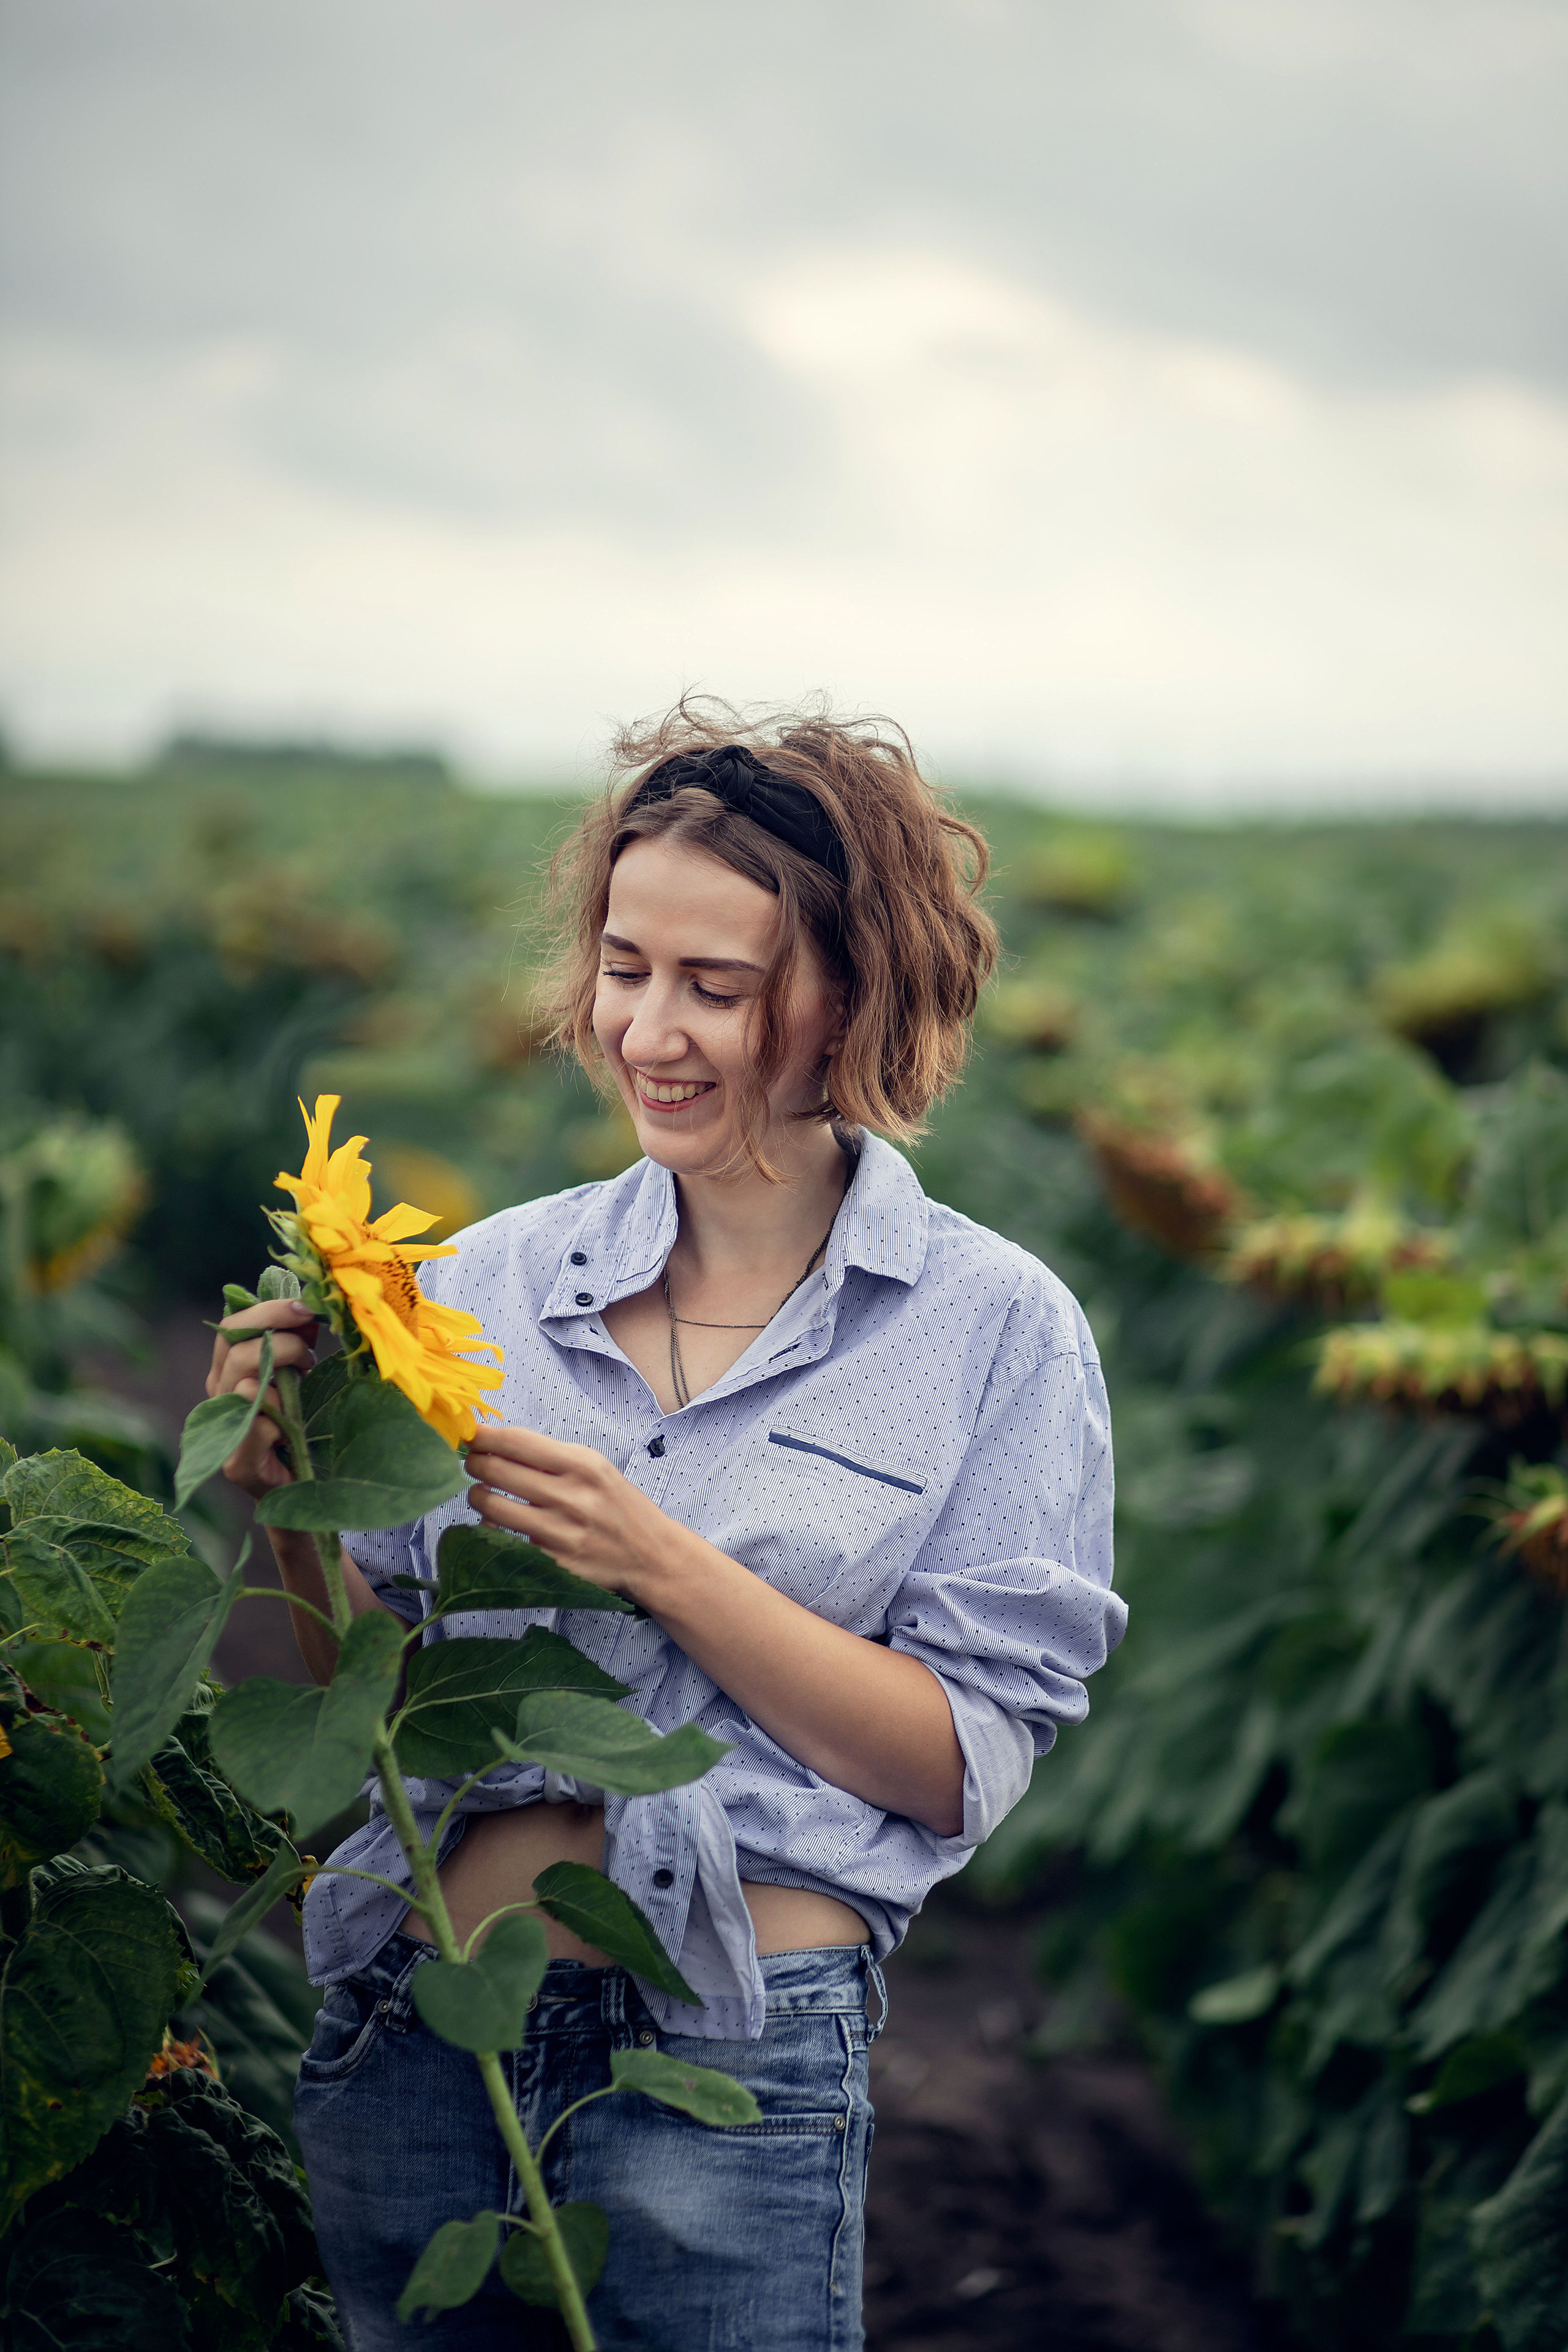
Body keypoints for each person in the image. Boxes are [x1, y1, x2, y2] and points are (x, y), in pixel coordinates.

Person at [206, 704, 1124, 2351]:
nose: (648, 1030)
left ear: (855, 994)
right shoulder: (474, 1285)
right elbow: (365, 1709)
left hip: (731, 2063)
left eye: (717, 985)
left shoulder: (992, 1328)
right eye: (626, 969)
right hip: (422, 2032)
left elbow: (954, 1760)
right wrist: (288, 1507)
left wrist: (660, 1563)